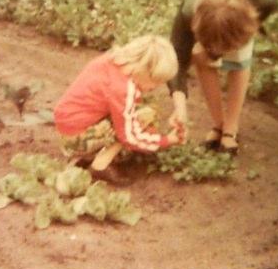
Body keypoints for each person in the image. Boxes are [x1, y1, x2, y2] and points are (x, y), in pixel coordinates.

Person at [168, 0, 278, 154]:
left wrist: (244, 36)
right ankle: (218, 124)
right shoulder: (190, 10)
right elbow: (176, 57)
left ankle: (231, 128)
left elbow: (261, 16)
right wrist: (179, 107)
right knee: (200, 55)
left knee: (240, 57)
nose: (219, 52)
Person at [54, 34, 185, 184]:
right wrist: (167, 140)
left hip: (67, 129)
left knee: (135, 113)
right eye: (155, 81)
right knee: (143, 116)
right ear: (142, 69)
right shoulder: (123, 88)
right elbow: (129, 136)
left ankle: (86, 156)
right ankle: (99, 166)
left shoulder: (111, 60)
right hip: (75, 139)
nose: (155, 87)